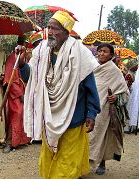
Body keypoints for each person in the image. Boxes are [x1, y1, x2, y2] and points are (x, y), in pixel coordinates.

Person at [15, 11, 101, 178]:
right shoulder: (41, 51)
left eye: (56, 29)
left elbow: (90, 87)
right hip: (49, 116)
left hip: (74, 117)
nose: (51, 32)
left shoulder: (81, 54)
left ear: (67, 31)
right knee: (49, 160)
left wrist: (91, 113)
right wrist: (22, 63)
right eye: (49, 28)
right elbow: (31, 78)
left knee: (67, 162)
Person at [89, 43, 130, 175]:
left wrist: (116, 97)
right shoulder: (91, 66)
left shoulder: (115, 71)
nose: (101, 54)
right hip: (89, 106)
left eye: (105, 52)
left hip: (104, 109)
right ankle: (82, 164)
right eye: (100, 51)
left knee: (102, 136)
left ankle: (102, 163)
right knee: (86, 136)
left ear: (111, 55)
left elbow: (125, 92)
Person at [2, 37, 31, 153]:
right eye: (23, 45)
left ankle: (21, 140)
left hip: (23, 90)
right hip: (15, 93)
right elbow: (10, 80)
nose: (25, 47)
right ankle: (10, 142)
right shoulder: (12, 58)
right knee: (16, 114)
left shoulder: (24, 58)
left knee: (23, 114)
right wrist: (19, 95)